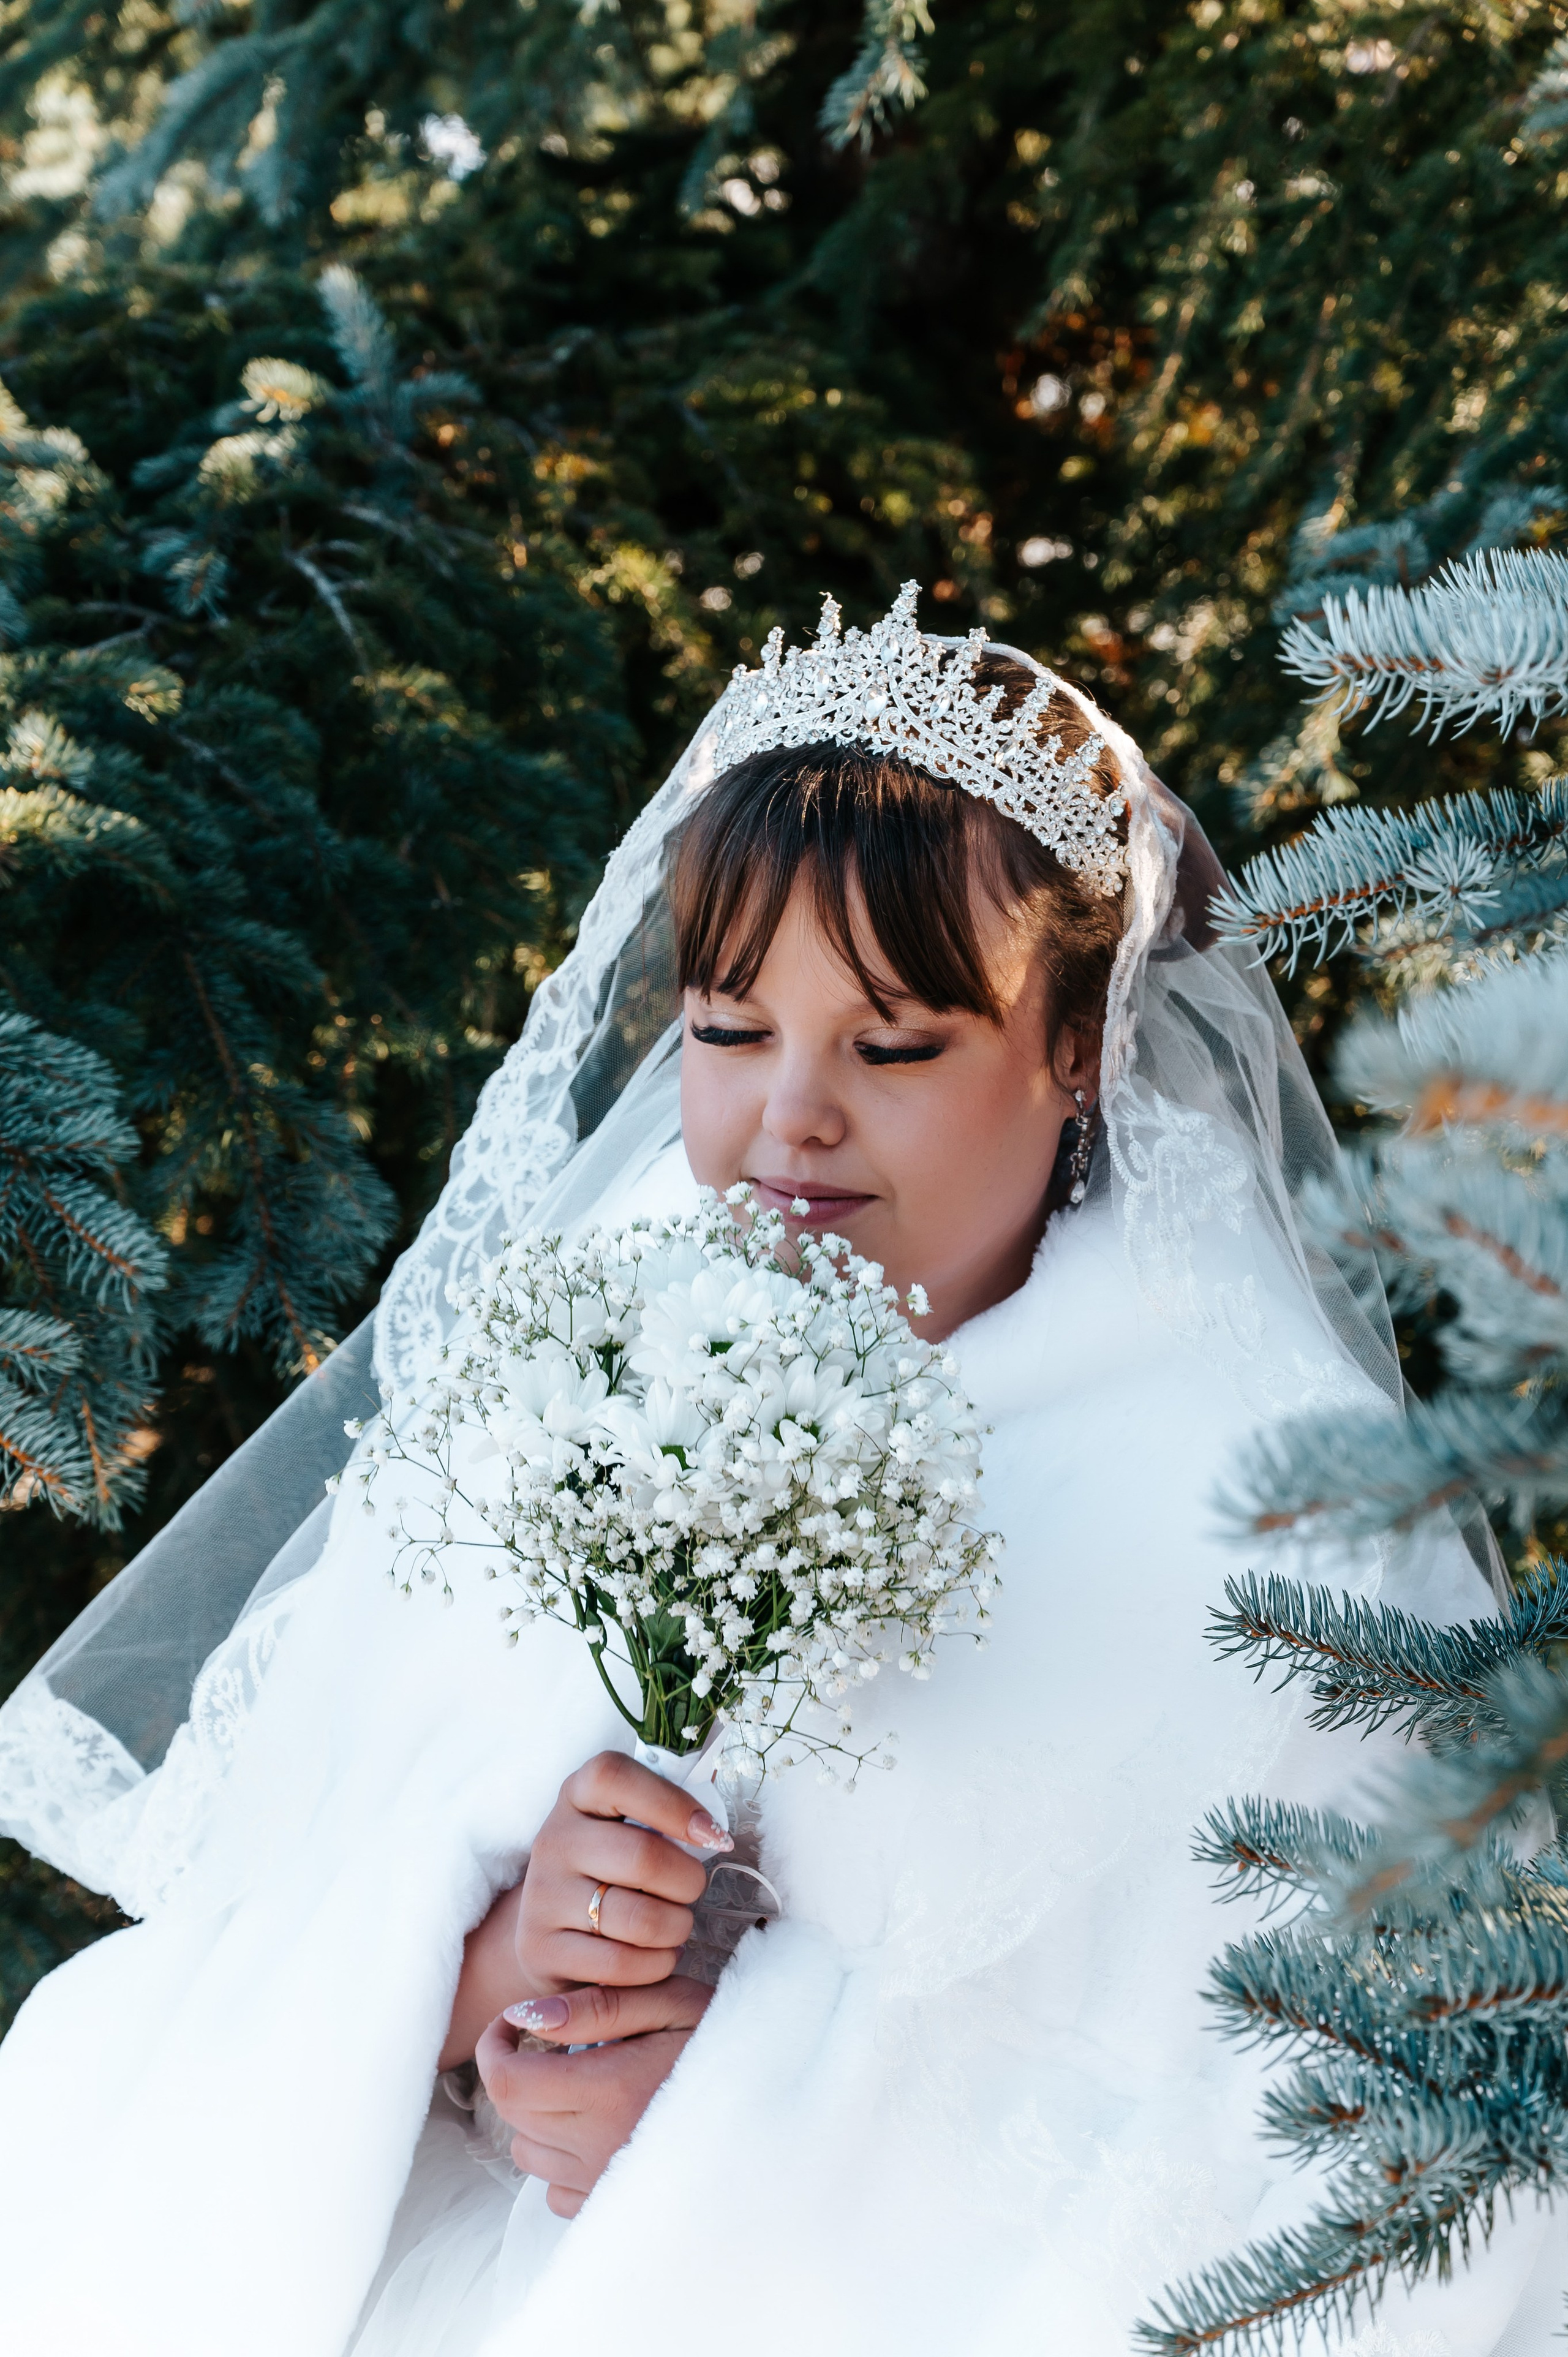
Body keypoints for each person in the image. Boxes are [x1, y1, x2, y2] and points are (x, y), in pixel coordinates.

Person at [0, 587, 1555, 2355]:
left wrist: (723, 2117)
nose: (790, 1114)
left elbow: (1379, 2198)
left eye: (894, 1045)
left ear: (1073, 1050)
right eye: (733, 1031)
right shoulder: (569, 1363)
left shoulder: (1277, 1522)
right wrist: (486, 1969)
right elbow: (243, 1948)